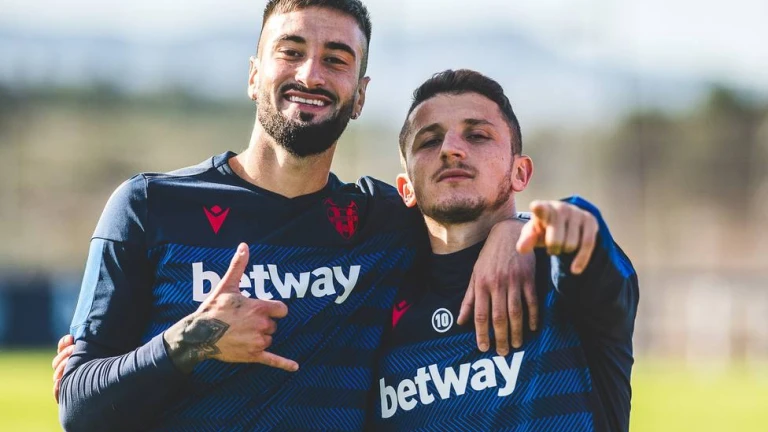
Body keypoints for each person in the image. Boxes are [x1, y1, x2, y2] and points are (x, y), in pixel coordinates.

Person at [53, 2, 541, 431]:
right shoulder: (148, 206)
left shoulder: (387, 222)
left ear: (360, 96)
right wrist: (193, 339)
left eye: (336, 59)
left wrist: (512, 230)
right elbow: (79, 406)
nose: (311, 75)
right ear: (253, 75)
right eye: (291, 51)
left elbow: (468, 208)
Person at [369, 69, 638, 431]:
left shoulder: (555, 274)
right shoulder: (376, 302)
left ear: (520, 173)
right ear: (406, 189)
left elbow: (585, 242)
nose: (450, 149)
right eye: (429, 141)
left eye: (477, 135)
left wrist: (548, 222)